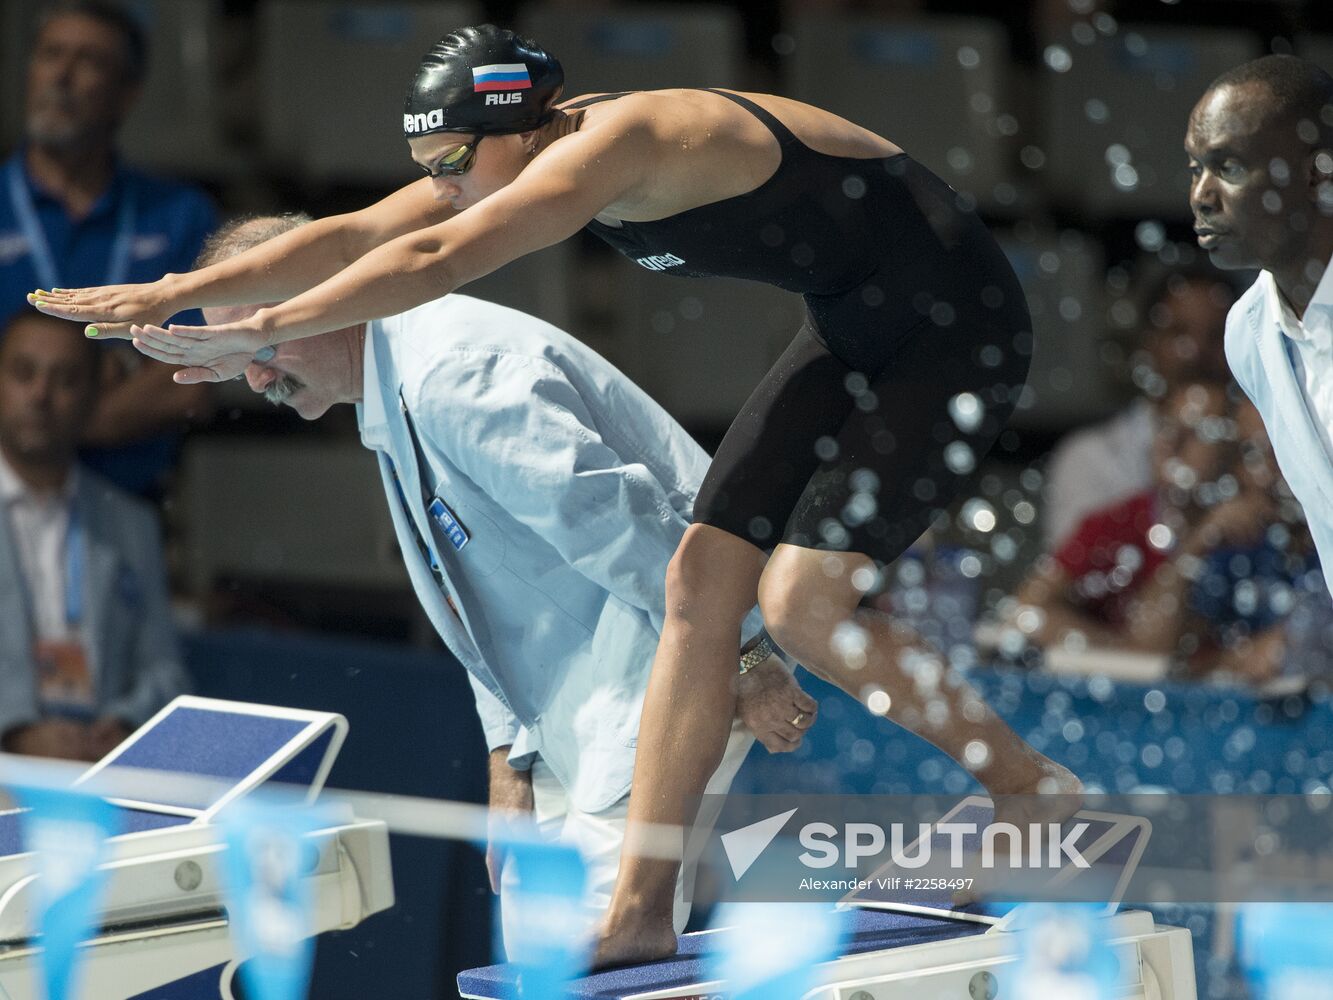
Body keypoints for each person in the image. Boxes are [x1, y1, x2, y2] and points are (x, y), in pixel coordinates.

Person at [31, 25, 1079, 964]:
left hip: (953, 326)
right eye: (427, 167)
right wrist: (176, 294)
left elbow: (433, 255)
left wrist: (255, 329)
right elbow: (358, 232)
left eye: (449, 163)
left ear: (517, 129)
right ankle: (641, 908)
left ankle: (1024, 784)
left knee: (800, 607)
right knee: (698, 583)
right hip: (851, 324)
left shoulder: (620, 141)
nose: (439, 185)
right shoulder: (498, 157)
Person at [192, 214, 817, 953]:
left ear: (330, 294)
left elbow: (629, 527)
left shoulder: (452, 377)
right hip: (576, 695)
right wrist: (507, 759)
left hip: (669, 658)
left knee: (598, 954)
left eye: (259, 342)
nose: (255, 375)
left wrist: (744, 655)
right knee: (535, 944)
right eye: (237, 357)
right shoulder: (392, 383)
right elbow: (475, 598)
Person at [2, 1, 217, 497]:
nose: (62, 75)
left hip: (131, 506)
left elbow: (194, 378)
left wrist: (42, 429)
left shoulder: (178, 216)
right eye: (50, 54)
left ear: (127, 93)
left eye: (89, 61)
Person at [1011, 383, 1316, 680]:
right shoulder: (1119, 523)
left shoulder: (1253, 532)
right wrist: (1121, 653)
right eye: (1166, 428)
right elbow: (1026, 609)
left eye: (1197, 433)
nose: (1173, 443)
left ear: (1231, 455)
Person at [0, 309, 188, 762]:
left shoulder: (129, 522)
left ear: (93, 397)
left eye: (64, 379)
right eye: (24, 374)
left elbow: (167, 671)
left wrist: (125, 723)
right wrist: (14, 733)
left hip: (99, 767)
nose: (41, 395)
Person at [1184, 54, 1333, 594]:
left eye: (1230, 168)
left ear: (1318, 173)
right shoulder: (1247, 332)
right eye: (1195, 168)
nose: (1200, 195)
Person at [1042, 266, 1235, 551]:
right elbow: (1074, 581)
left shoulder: (1267, 457)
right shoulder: (1090, 458)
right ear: (1148, 343)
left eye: (1217, 334)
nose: (1197, 351)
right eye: (1178, 332)